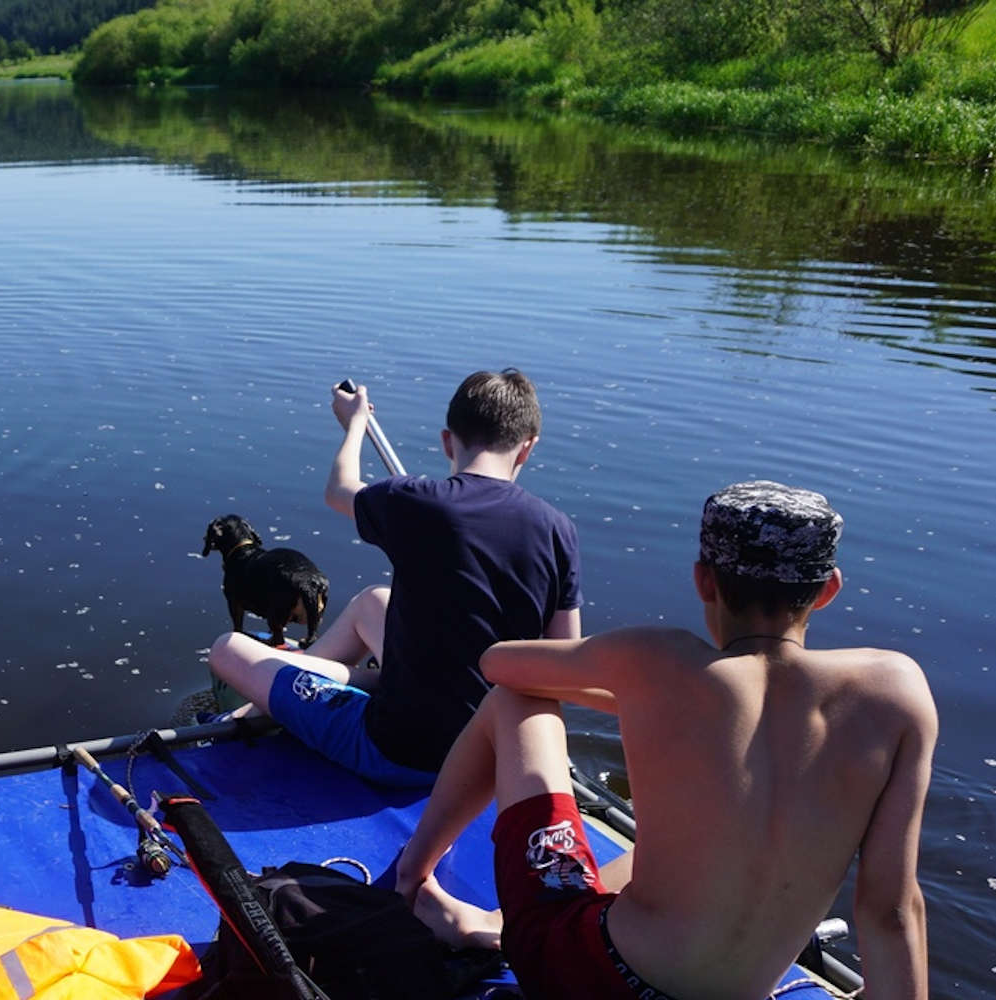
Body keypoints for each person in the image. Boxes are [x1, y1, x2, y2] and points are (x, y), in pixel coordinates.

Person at [394, 481, 934, 1000]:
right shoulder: (895, 692)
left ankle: (412, 878)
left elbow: (500, 665)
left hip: (585, 976)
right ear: (828, 590)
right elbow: (890, 908)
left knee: (514, 702)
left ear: (703, 580)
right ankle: (486, 918)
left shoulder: (660, 660)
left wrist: (633, 696)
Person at [207, 369, 582, 786]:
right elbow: (566, 661)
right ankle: (323, 677)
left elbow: (340, 489)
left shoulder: (416, 501)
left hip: (397, 753)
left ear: (446, 440)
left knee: (227, 649)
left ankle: (281, 695)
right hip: (488, 751)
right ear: (527, 449)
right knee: (374, 601)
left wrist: (355, 424)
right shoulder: (557, 528)